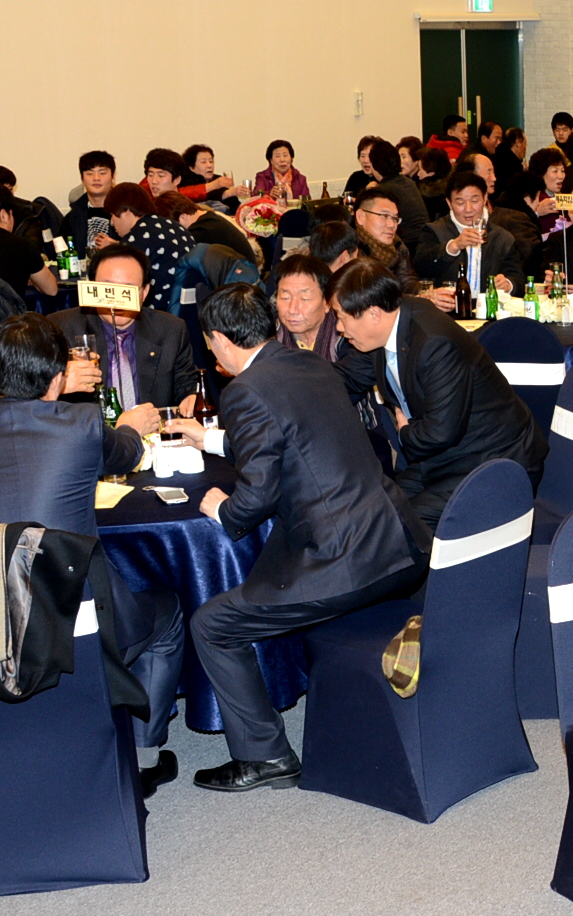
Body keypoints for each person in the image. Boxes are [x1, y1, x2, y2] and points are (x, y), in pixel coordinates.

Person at [157, 285, 427, 792]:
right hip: (399, 543)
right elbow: (293, 434)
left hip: (346, 563)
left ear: (219, 339)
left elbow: (256, 496)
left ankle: (265, 757)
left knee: (212, 623)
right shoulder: (308, 364)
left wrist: (222, 511)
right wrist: (209, 437)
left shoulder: (244, 390)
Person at [0, 314, 186, 794]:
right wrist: (127, 426)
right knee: (168, 614)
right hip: (78, 616)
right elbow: (129, 454)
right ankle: (143, 755)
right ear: (57, 378)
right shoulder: (81, 424)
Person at [328, 259, 547, 525]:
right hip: (443, 460)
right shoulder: (388, 326)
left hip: (491, 463)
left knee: (396, 529)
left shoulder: (435, 343)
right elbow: (345, 378)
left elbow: (440, 432)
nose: (339, 327)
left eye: (341, 317)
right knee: (370, 515)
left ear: (373, 313)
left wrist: (404, 431)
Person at [47, 245, 198, 410]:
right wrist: (58, 382)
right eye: (108, 289)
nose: (116, 300)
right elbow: (33, 393)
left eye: (127, 290)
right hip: (89, 425)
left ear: (145, 292)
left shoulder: (171, 329)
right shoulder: (60, 328)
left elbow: (187, 384)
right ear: (92, 288)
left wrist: (190, 397)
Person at [417, 171, 526, 296]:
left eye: (474, 201)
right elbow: (421, 269)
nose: (468, 209)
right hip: (447, 305)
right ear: (449, 203)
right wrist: (453, 246)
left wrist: (508, 284)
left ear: (485, 198)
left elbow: (518, 279)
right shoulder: (433, 231)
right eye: (460, 203)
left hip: (488, 306)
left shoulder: (503, 238)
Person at [101, 182, 192, 312]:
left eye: (113, 215)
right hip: (185, 305)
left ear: (126, 211)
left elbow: (123, 284)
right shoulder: (171, 225)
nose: (112, 222)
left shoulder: (137, 237)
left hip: (158, 310)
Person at [272, 253, 347, 361]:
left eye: (305, 299)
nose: (292, 310)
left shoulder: (345, 337)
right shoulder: (269, 335)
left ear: (327, 303)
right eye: (285, 297)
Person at [62, 150, 119, 248]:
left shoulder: (125, 213)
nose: (96, 178)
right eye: (89, 173)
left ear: (113, 176)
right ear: (82, 179)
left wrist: (118, 246)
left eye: (102, 173)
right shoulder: (73, 217)